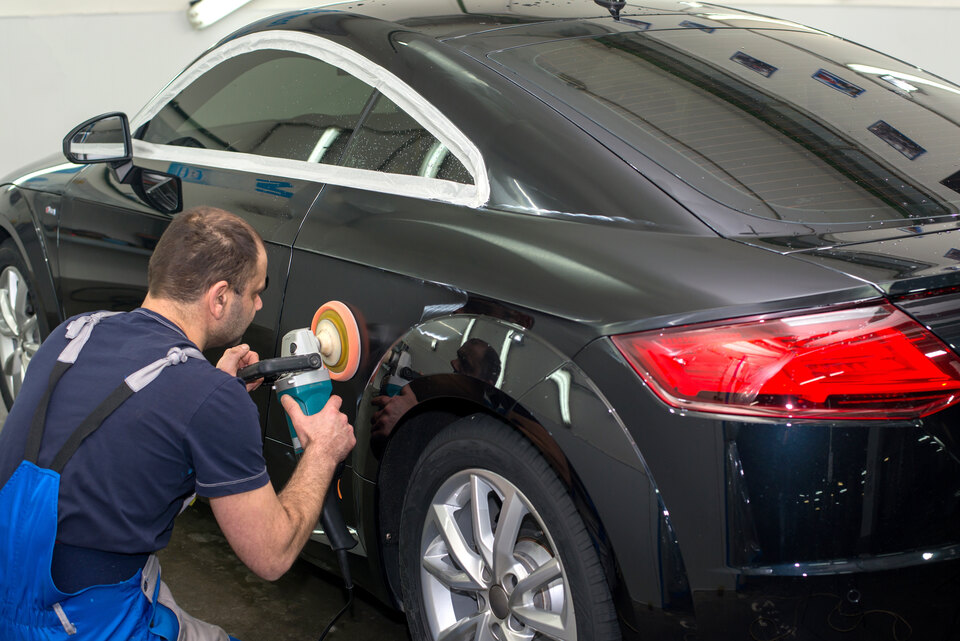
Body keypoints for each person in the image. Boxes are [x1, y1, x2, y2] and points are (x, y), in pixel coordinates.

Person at [0, 206, 355, 640]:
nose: (260, 304)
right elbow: (272, 555)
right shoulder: (206, 397)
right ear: (220, 297)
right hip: (80, 623)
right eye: (256, 291)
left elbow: (126, 452)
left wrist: (210, 396)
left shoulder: (75, 332)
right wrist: (322, 451)